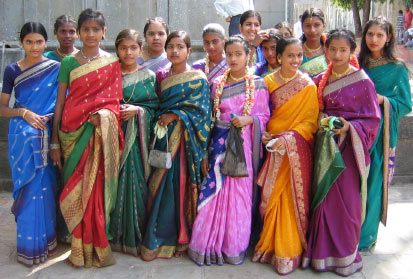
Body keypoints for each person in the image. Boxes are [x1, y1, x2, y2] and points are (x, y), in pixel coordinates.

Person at [302, 29, 381, 276]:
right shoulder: (318, 81)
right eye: (332, 49)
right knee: (323, 202)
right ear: (326, 50)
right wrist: (321, 118)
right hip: (325, 149)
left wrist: (348, 127)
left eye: (343, 50)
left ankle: (345, 257)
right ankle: (321, 256)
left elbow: (371, 120)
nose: (337, 54)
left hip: (348, 151)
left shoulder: (362, 81)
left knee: (347, 204)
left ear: (352, 52)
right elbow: (310, 110)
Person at [188, 35, 270, 266]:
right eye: (230, 54)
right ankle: (206, 246)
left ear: (248, 56)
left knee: (239, 199)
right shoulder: (216, 84)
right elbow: (208, 121)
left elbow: (264, 116)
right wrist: (205, 151)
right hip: (217, 148)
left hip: (242, 150)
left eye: (238, 54)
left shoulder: (258, 83)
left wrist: (249, 119)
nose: (233, 58)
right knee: (212, 197)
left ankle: (232, 247)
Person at [50, 8, 123, 268]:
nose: (90, 34)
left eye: (96, 29)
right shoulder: (69, 62)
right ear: (79, 32)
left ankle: (95, 247)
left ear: (104, 32)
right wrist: (55, 141)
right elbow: (60, 103)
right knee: (73, 189)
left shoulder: (112, 62)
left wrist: (103, 115)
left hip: (97, 134)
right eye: (86, 30)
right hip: (71, 133)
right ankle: (77, 247)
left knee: (94, 193)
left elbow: (115, 102)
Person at [140, 31, 211, 261]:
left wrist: (176, 115)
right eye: (170, 46)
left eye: (180, 46)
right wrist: (163, 117)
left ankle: (179, 237)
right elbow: (154, 104)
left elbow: (203, 114)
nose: (174, 51)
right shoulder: (160, 75)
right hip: (162, 139)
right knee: (159, 186)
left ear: (190, 51)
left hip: (185, 143)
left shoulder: (198, 78)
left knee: (177, 188)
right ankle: (158, 238)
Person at [252, 37, 318, 275]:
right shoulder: (266, 82)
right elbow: (258, 113)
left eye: (300, 55)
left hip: (293, 152)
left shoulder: (308, 85)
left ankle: (287, 251)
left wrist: (287, 139)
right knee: (269, 202)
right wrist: (264, 134)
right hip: (270, 149)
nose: (296, 60)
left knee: (288, 201)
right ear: (278, 57)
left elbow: (310, 122)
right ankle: (268, 246)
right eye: (290, 55)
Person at [0, 22, 60, 267]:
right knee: (27, 189)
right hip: (22, 138)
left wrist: (47, 120)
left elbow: (62, 104)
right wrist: (24, 113)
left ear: (46, 43)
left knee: (44, 189)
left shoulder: (56, 68)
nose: (34, 47)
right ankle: (27, 247)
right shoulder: (12, 70)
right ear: (21, 43)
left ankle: (46, 242)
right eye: (29, 42)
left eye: (39, 42)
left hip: (47, 133)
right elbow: (3, 108)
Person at [358, 17, 412, 251]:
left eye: (380, 35)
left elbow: (406, 104)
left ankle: (366, 236)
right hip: (355, 131)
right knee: (353, 184)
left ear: (388, 38)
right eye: (370, 34)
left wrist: (383, 100)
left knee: (373, 183)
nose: (374, 39)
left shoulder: (397, 67)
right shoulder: (357, 63)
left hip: (381, 135)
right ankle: (347, 232)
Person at [108, 29, 159, 257]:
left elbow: (155, 108)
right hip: (110, 138)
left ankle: (133, 236)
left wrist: (138, 111)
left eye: (133, 48)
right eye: (123, 48)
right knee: (110, 185)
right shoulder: (108, 74)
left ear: (141, 49)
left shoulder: (149, 77)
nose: (128, 52)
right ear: (117, 49)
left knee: (135, 184)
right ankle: (112, 235)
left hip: (136, 142)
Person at [300, 8, 328, 78]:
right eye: (308, 26)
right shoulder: (295, 50)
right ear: (302, 28)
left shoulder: (331, 49)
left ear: (324, 26)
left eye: (317, 25)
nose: (312, 30)